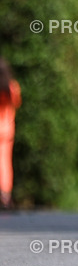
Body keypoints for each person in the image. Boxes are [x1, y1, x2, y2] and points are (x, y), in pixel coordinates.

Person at [0, 58, 22, 210]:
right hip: (6, 130)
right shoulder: (12, 86)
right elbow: (17, 103)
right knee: (5, 162)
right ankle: (5, 196)